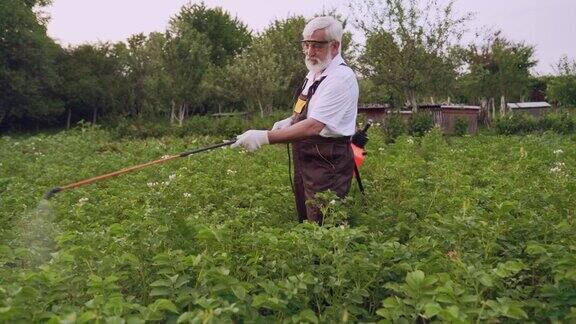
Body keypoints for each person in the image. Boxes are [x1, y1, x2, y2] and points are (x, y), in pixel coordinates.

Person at [231, 16, 359, 224]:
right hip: (306, 156)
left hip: (327, 160)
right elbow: (309, 111)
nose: (309, 52)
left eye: (316, 46)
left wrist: (265, 137)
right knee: (308, 219)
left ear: (335, 46)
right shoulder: (315, 73)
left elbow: (315, 125)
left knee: (325, 224)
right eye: (306, 44)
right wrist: (290, 120)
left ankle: (329, 257)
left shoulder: (340, 78)